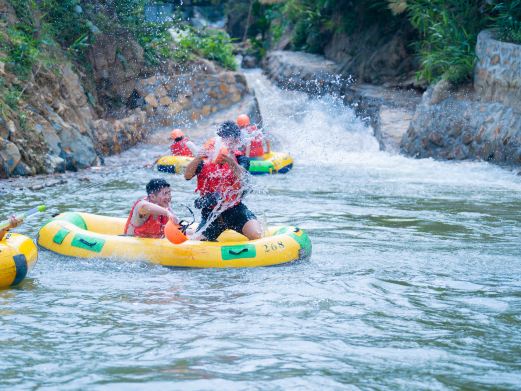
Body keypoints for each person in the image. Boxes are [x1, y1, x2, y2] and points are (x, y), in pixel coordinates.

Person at [184, 121, 262, 241]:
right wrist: (197, 158)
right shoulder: (205, 159)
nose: (225, 143)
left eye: (229, 139)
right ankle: (191, 231)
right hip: (212, 214)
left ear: (236, 141)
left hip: (235, 211)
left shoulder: (241, 158)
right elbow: (187, 176)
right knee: (198, 242)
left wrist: (231, 162)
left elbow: (243, 177)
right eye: (222, 139)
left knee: (256, 235)